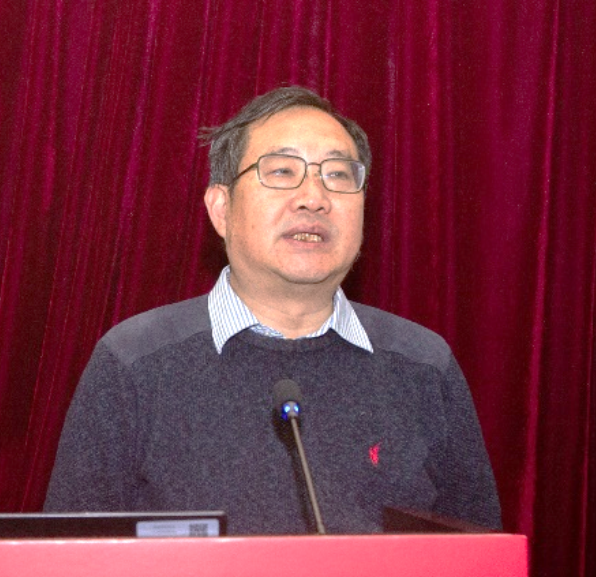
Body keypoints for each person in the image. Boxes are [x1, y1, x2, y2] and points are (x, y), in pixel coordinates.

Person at [44, 86, 501, 534]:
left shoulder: (422, 364)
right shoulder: (135, 361)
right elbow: (70, 564)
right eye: (282, 171)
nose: (314, 197)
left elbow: (482, 566)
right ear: (221, 208)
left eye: (338, 175)